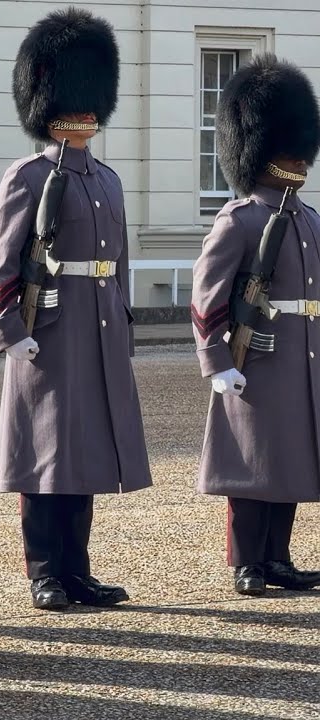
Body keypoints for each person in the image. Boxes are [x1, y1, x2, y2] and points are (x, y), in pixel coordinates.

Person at [0, 8, 152, 612]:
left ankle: (77, 570)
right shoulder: (27, 176)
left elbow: (118, 264)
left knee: (84, 453)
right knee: (45, 455)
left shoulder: (106, 179)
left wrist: (123, 326)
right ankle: (45, 571)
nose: (85, 116)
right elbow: (1, 261)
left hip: (99, 324)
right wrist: (8, 329)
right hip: (48, 327)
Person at [190, 54, 320, 597]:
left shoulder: (309, 219)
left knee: (289, 461)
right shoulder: (240, 219)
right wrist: (217, 363)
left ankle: (278, 558)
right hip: (258, 355)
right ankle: (247, 561)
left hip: (302, 355)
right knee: (251, 465)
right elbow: (207, 297)